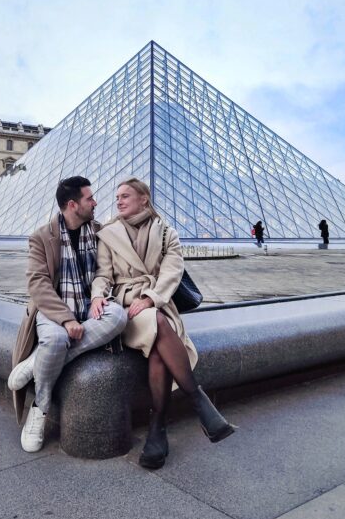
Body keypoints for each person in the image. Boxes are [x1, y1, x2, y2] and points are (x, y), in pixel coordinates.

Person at [91, 178, 237, 469]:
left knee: (158, 345)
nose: (118, 201)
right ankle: (198, 401)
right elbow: (103, 275)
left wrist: (153, 297)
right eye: (117, 197)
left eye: (125, 196)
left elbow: (173, 271)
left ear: (144, 199)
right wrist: (97, 295)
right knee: (156, 323)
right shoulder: (107, 234)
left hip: (158, 302)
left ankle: (157, 427)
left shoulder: (167, 232)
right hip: (127, 305)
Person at [8, 176, 127, 453]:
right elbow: (38, 285)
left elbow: (107, 270)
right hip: (53, 310)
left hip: (89, 304)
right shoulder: (41, 237)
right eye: (90, 198)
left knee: (119, 317)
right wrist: (67, 319)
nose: (96, 202)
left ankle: (38, 362)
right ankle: (40, 408)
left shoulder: (99, 232)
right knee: (55, 338)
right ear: (73, 205)